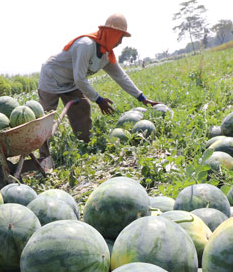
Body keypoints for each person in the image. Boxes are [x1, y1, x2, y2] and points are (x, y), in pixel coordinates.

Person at [37, 13, 160, 169]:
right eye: (119, 37)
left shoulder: (106, 55)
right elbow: (80, 79)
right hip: (52, 78)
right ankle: (44, 157)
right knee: (46, 119)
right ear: (111, 33)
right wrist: (99, 99)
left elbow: (121, 77)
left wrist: (142, 98)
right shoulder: (85, 45)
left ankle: (85, 144)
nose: (120, 42)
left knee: (83, 107)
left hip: (70, 82)